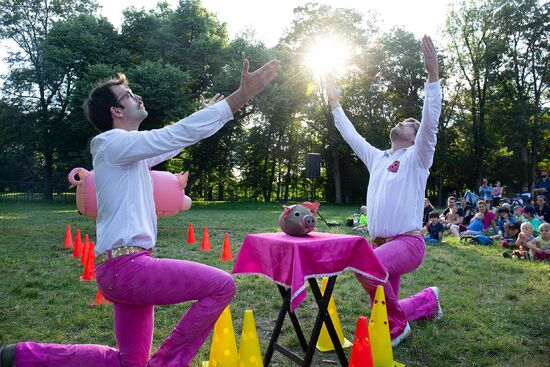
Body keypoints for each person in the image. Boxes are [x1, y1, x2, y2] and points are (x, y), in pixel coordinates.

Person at [0, 59, 280, 367]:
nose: (137, 97)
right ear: (116, 111)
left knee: (129, 363)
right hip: (127, 267)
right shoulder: (111, 143)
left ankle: (22, 355)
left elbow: (180, 138)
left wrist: (209, 114)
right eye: (129, 94)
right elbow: (174, 135)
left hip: (121, 269)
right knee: (221, 286)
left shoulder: (128, 153)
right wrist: (240, 96)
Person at [325, 35, 442, 346]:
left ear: (416, 138)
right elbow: (349, 134)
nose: (402, 122)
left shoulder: (417, 158)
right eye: (402, 120)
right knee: (380, 306)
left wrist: (432, 77)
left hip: (408, 243)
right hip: (379, 243)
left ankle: (398, 325)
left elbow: (430, 124)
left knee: (366, 269)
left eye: (408, 122)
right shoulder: (377, 157)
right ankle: (428, 301)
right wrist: (335, 102)